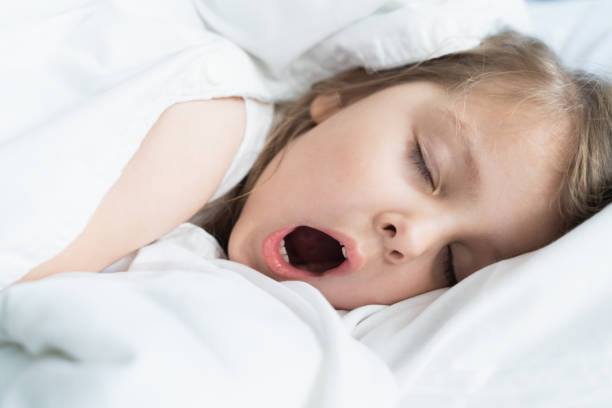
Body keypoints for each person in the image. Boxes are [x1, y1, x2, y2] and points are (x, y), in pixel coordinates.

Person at [18, 30, 612, 310]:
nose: (414, 237)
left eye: (455, 267)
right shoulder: (210, 129)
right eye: (423, 165)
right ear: (346, 94)